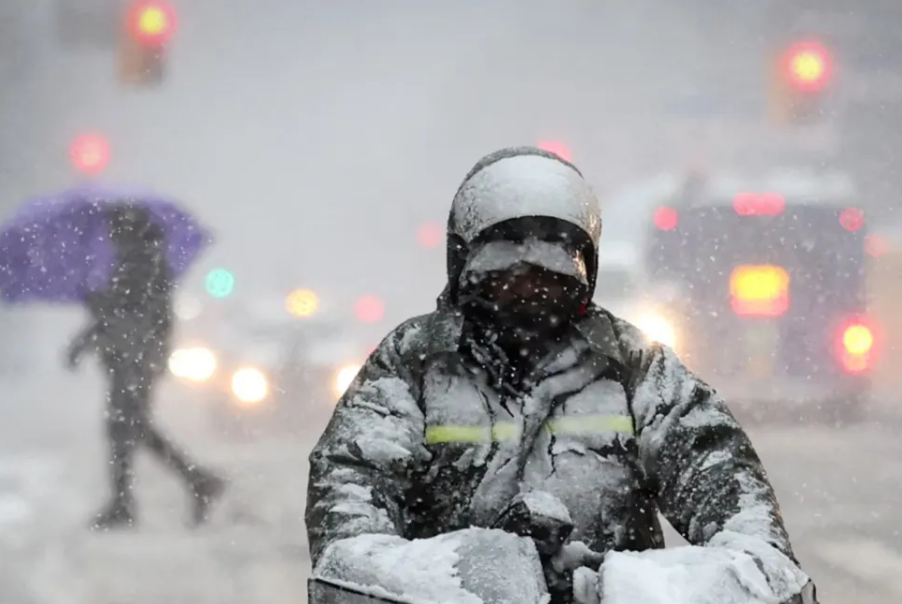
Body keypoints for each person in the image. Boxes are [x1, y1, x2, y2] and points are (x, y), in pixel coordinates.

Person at [305, 147, 818, 604]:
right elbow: (349, 514)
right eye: (505, 265)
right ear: (463, 262)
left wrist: (616, 583)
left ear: (585, 269)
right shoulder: (414, 362)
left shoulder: (636, 367)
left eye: (552, 266)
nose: (528, 287)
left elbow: (735, 502)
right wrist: (474, 572)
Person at [67, 204, 225, 530]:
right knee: (129, 427)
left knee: (125, 426)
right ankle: (187, 483)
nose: (110, 235)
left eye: (114, 228)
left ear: (127, 229)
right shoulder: (142, 260)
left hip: (134, 360)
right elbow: (123, 313)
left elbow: (123, 315)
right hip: (133, 359)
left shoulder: (141, 262)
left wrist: (93, 310)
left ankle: (147, 495)